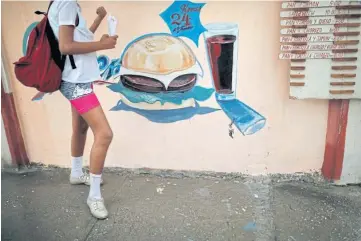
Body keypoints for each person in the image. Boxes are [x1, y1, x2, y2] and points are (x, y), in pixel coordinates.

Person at [48, 0, 118, 219]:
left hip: (79, 79)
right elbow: (66, 46)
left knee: (80, 129)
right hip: (75, 83)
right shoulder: (67, 3)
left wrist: (98, 20)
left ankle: (77, 173)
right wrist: (103, 45)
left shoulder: (66, 4)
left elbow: (79, 37)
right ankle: (94, 197)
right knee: (105, 134)